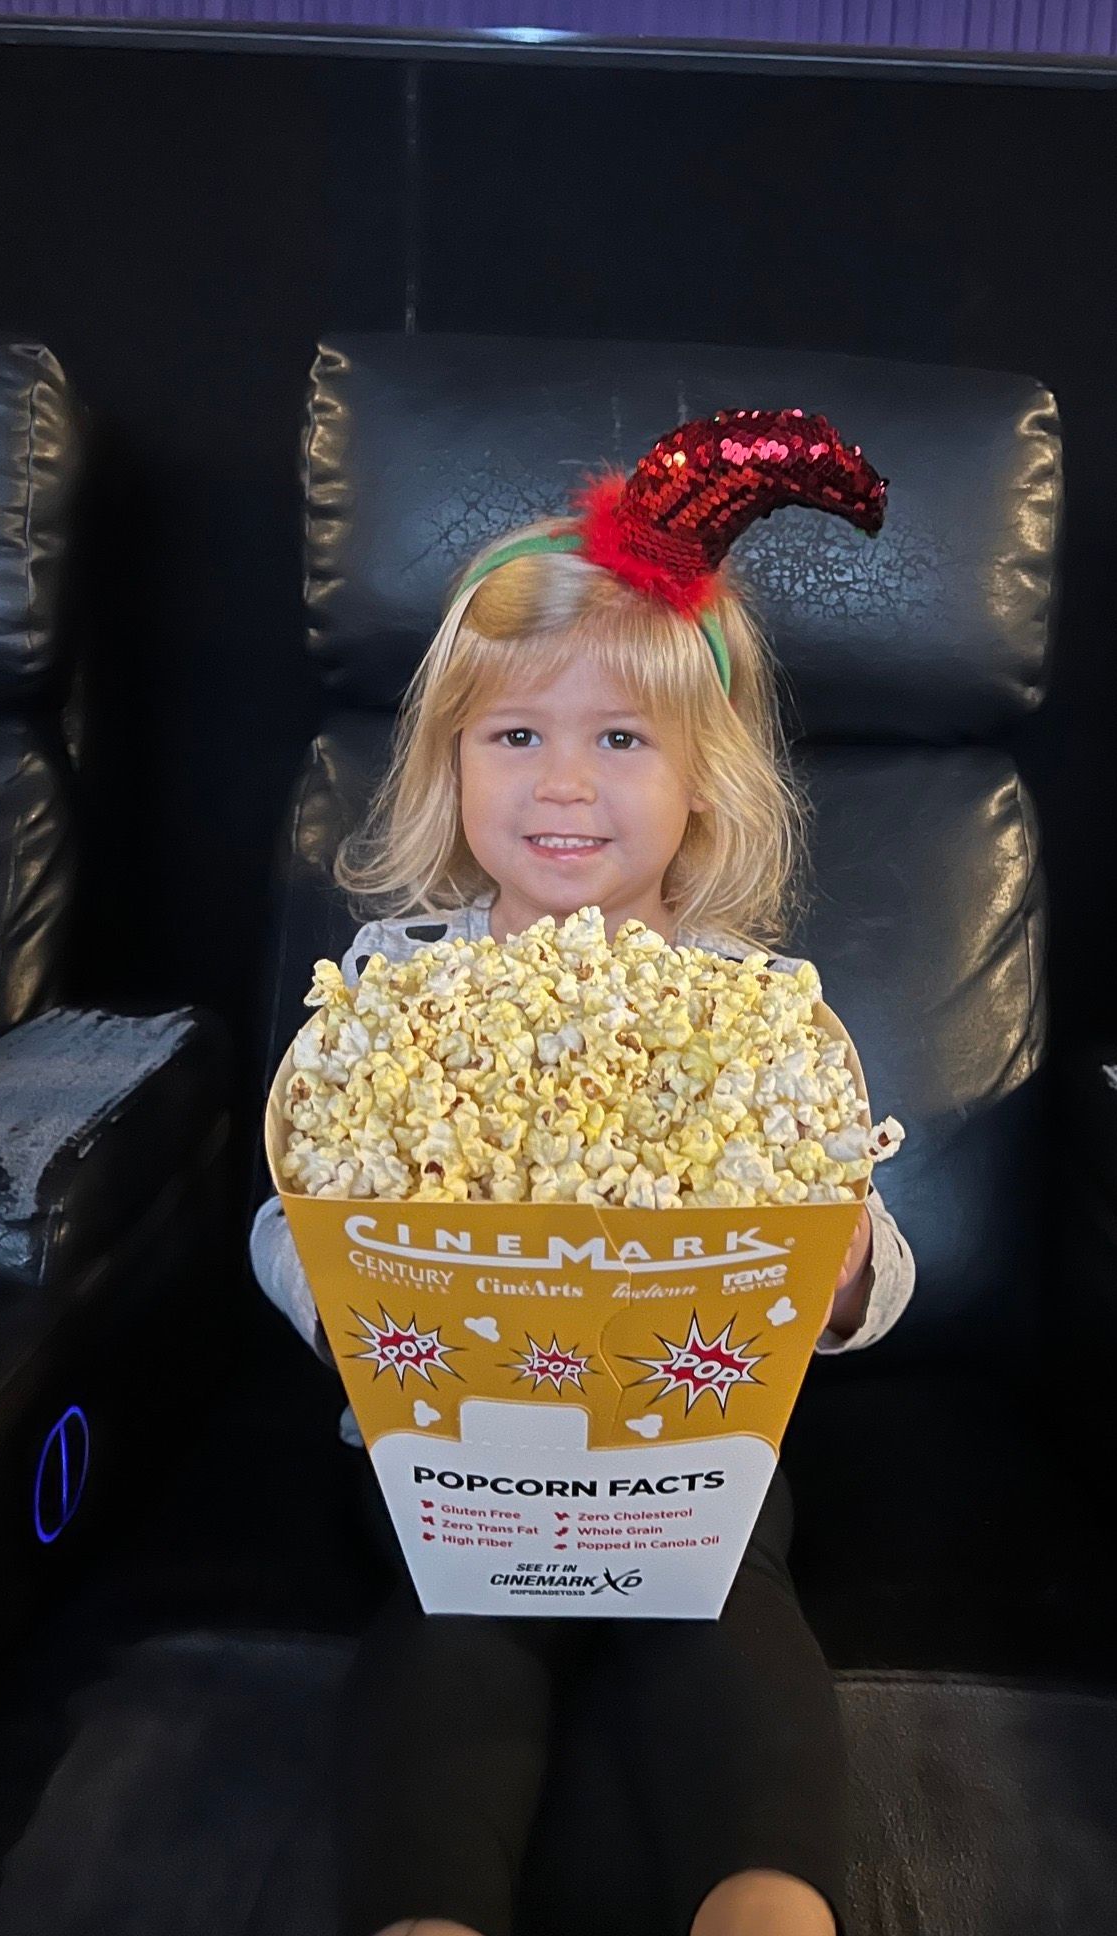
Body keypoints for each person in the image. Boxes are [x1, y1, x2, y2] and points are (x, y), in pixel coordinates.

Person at [249, 408, 916, 1936]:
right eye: (515, 736)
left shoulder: (754, 1005)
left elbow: (856, 1228)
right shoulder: (391, 987)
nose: (564, 784)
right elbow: (286, 1211)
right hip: (447, 1446)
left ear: (703, 782)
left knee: (734, 1612)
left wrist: (844, 1273)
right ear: (451, 765)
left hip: (686, 1452)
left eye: (620, 739)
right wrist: (349, 1292)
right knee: (449, 1629)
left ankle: (767, 1906)